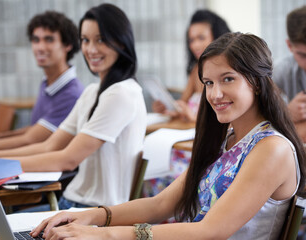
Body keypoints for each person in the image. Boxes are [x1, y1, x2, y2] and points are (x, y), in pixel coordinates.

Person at [31, 32, 306, 240]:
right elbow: (161, 203)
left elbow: (211, 230)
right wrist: (91, 216)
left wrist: (104, 234)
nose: (215, 94)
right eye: (208, 83)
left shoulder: (272, 149)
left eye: (228, 79)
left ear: (256, 82)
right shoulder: (229, 139)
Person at [0, 3, 147, 240]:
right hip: (72, 205)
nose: (91, 49)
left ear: (122, 42)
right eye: (85, 40)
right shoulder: (93, 92)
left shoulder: (122, 94)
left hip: (95, 215)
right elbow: (48, 145)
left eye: (101, 39)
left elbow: (67, 158)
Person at [0, 10, 84, 160]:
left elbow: (31, 139)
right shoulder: (48, 82)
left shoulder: (71, 93)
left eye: (49, 40)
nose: (40, 47)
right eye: (36, 40)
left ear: (68, 45)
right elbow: (37, 129)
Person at [152, 9, 230, 122]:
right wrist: (170, 109)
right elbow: (182, 103)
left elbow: (225, 120)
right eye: (191, 40)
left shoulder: (229, 71)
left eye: (201, 38)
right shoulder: (196, 70)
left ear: (218, 38)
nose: (195, 45)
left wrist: (193, 118)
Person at [273, 6, 306, 141]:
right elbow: (258, 117)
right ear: (289, 45)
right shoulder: (282, 70)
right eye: (303, 55)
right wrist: (286, 113)